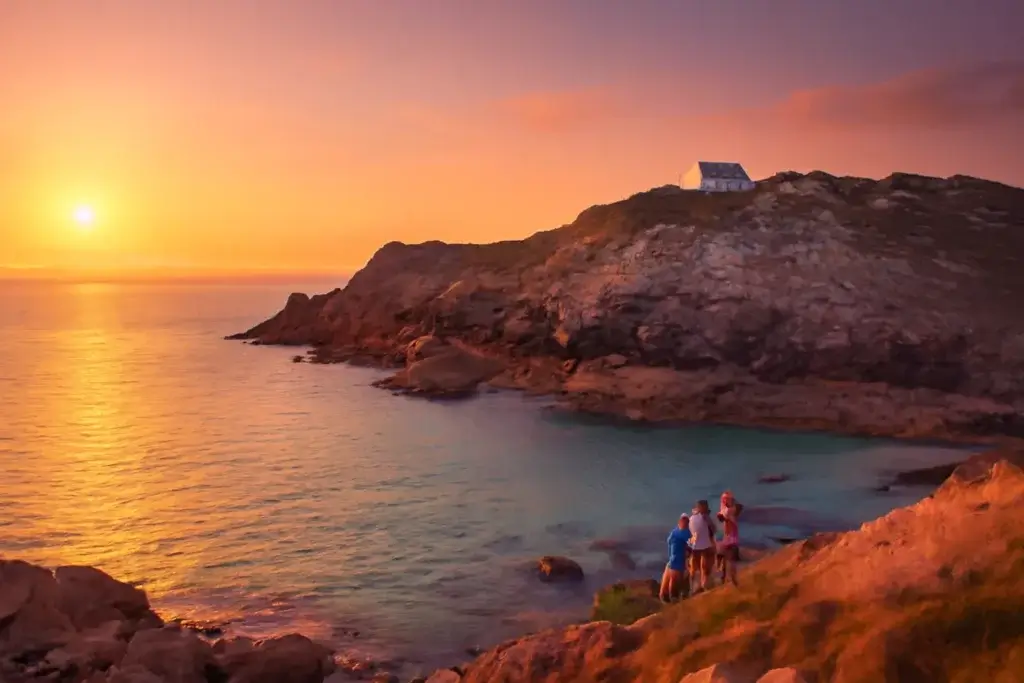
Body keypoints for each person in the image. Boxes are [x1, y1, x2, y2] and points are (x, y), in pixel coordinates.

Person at [660, 514, 691, 603]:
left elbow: (693, 546)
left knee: (673, 591)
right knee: (664, 594)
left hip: (677, 562)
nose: (683, 523)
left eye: (685, 521)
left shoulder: (685, 533)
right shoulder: (675, 531)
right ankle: (672, 603)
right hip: (671, 561)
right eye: (682, 521)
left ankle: (674, 604)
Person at [688, 500, 717, 594]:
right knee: (705, 567)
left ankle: (693, 588)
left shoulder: (691, 518)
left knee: (696, 568)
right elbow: (713, 529)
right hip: (705, 546)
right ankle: (703, 585)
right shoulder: (705, 517)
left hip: (694, 546)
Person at [716, 490, 743, 586]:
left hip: (732, 541)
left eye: (726, 499)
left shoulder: (730, 510)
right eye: (723, 499)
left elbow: (723, 515)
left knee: (731, 563)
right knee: (722, 560)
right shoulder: (727, 509)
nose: (723, 501)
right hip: (726, 540)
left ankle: (733, 581)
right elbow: (721, 516)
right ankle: (723, 579)